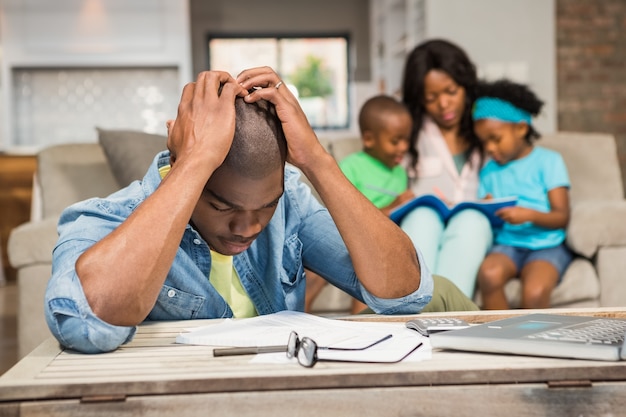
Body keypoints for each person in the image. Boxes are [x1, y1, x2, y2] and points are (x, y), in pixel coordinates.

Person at [45, 67, 437, 354]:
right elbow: (85, 326)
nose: (247, 227)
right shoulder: (104, 218)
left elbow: (404, 296)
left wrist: (316, 161)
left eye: (266, 207)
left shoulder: (293, 204)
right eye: (220, 204)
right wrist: (195, 162)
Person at [398, 39, 492, 299]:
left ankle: (450, 318)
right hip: (425, 218)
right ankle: (416, 308)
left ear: (466, 86)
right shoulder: (408, 130)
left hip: (473, 220)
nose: (444, 105)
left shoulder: (487, 127)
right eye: (431, 98)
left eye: (451, 92)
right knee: (422, 218)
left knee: (471, 221)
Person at [306, 95, 415, 314]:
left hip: (383, 242)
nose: (403, 147)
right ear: (369, 139)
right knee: (315, 273)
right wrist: (395, 204)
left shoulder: (400, 173)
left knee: (373, 274)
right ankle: (296, 319)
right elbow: (346, 214)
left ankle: (363, 325)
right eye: (395, 141)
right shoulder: (351, 166)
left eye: (406, 140)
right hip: (347, 235)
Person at [473, 79, 574, 310]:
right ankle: (498, 340)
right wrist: (486, 209)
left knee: (535, 291)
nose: (489, 148)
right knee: (489, 275)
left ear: (521, 128)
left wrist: (529, 215)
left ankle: (531, 345)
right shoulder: (489, 171)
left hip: (547, 245)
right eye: (484, 142)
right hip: (507, 244)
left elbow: (561, 217)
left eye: (495, 139)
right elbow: (490, 222)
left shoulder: (549, 161)